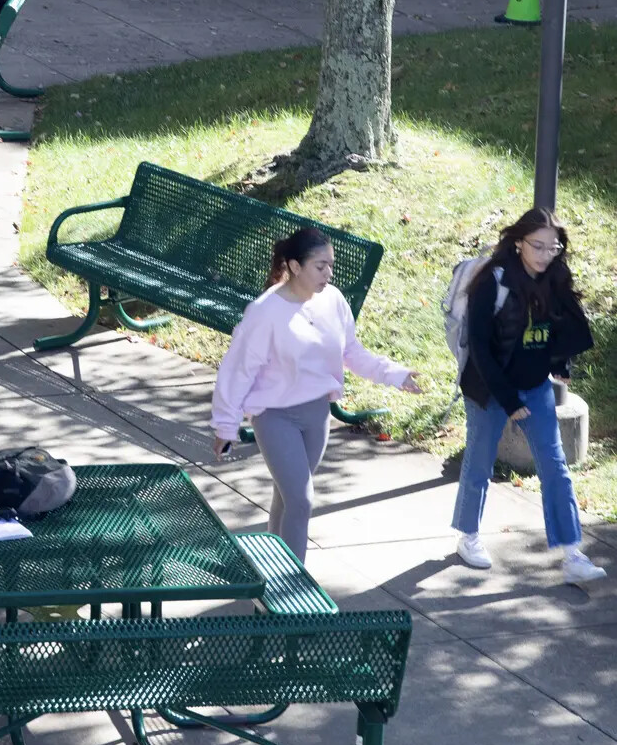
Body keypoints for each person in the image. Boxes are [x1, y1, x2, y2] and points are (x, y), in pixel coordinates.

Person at [210, 228, 421, 562]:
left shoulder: (333, 301)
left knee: (286, 497)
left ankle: (271, 573)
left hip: (316, 415)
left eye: (331, 265)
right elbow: (238, 370)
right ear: (294, 267)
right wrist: (225, 424)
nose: (329, 274)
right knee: (301, 499)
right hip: (274, 416)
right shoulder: (265, 312)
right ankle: (292, 587)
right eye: (320, 266)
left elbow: (351, 351)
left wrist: (394, 374)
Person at [452, 209, 606, 584]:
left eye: (552, 247)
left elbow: (562, 325)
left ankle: (572, 553)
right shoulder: (495, 280)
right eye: (537, 246)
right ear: (518, 242)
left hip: (535, 386)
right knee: (480, 462)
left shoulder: (554, 277)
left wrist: (561, 362)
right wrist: (508, 400)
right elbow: (482, 347)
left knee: (555, 467)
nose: (544, 254)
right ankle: (467, 536)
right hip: (489, 387)